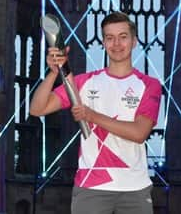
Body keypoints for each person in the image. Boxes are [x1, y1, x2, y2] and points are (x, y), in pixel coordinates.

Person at [30, 11, 162, 214]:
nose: (116, 44)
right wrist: (54, 73)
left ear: (134, 41)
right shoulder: (83, 82)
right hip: (91, 186)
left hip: (134, 187)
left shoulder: (149, 85)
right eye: (110, 38)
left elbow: (139, 133)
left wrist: (91, 116)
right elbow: (37, 108)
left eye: (123, 37)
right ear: (103, 42)